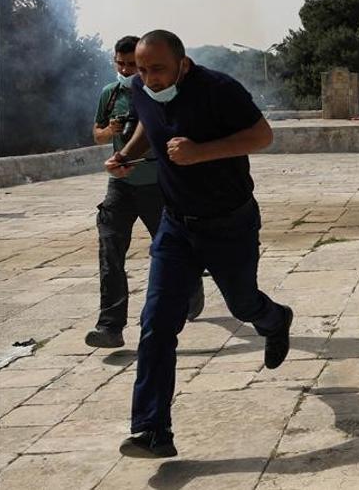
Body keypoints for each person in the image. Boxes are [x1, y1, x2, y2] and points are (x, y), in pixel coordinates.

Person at [107, 30, 292, 458]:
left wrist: (202, 152)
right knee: (156, 324)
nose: (149, 79)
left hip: (230, 222)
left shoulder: (219, 90)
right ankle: (152, 430)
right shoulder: (139, 87)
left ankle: (275, 320)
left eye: (158, 69)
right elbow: (146, 127)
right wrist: (128, 156)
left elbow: (262, 136)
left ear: (182, 64)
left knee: (243, 304)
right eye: (142, 69)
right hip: (175, 226)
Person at [86, 36, 205, 349]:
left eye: (131, 65)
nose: (125, 70)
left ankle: (192, 288)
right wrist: (109, 133)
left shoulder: (160, 95)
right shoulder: (109, 96)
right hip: (120, 187)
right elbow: (96, 134)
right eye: (120, 64)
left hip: (156, 185)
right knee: (110, 253)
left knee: (170, 251)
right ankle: (110, 326)